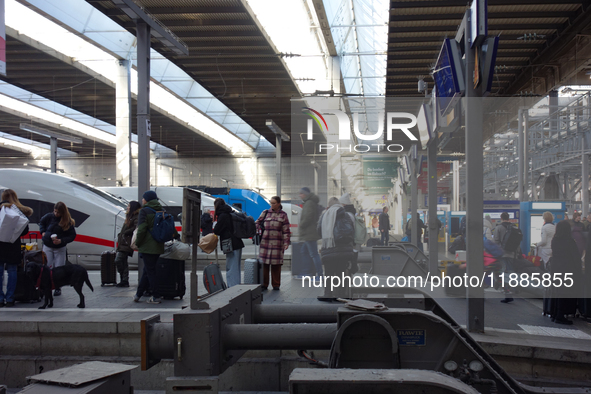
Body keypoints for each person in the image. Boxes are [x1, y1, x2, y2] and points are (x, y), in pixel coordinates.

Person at [317, 197, 355, 301]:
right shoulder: (347, 215)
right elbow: (352, 231)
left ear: (329, 205)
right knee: (341, 273)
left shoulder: (325, 215)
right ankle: (341, 295)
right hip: (344, 250)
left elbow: (319, 231)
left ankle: (328, 295)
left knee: (329, 273)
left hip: (329, 248)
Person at [0, 189, 33, 307]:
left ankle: (0, 299)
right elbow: (25, 230)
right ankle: (10, 298)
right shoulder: (18, 211)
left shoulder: (0, 209)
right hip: (13, 245)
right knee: (12, 271)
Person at [133, 190, 167, 304]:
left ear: (147, 199)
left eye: (143, 198)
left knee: (150, 271)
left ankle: (156, 296)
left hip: (147, 246)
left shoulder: (144, 211)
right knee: (147, 270)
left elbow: (142, 229)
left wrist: (137, 242)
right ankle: (138, 294)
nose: (142, 200)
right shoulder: (161, 210)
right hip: (158, 245)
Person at [40, 201, 77, 296]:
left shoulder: (67, 222)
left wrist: (62, 241)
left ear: (62, 212)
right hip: (48, 245)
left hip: (59, 247)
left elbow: (72, 235)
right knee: (46, 266)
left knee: (59, 268)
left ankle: (57, 287)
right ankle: (46, 286)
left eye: (58, 212)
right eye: (55, 211)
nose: (56, 214)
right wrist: (42, 232)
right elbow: (42, 223)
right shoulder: (49, 217)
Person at [550, 220, 582, 325]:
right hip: (567, 269)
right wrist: (579, 269)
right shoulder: (569, 241)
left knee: (557, 291)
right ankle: (560, 315)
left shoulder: (554, 240)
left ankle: (554, 314)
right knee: (564, 293)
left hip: (555, 268)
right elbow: (575, 257)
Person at [256, 196, 290, 290]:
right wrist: (257, 230)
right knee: (264, 265)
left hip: (277, 243)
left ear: (279, 204)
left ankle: (276, 285)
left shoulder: (283, 215)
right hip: (265, 243)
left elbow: (286, 230)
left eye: (274, 203)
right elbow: (257, 223)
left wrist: (286, 242)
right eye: (271, 203)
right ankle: (264, 284)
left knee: (276, 265)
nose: (272, 205)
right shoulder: (265, 213)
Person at [213, 198, 244, 287]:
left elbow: (217, 230)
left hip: (230, 244)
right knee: (236, 267)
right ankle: (236, 285)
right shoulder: (230, 212)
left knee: (231, 267)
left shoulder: (223, 215)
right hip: (237, 242)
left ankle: (232, 287)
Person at [114, 200, 141, 287]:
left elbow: (136, 228)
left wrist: (126, 233)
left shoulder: (135, 217)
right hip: (123, 242)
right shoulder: (129, 217)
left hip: (127, 242)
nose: (127, 208)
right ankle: (124, 280)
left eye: (129, 206)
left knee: (118, 260)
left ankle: (124, 279)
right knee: (123, 262)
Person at [493, 212, 518, 303]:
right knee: (511, 272)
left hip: (502, 254)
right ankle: (514, 289)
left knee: (502, 274)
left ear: (501, 218)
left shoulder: (499, 227)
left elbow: (496, 241)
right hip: (512, 254)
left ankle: (508, 294)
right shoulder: (514, 227)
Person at [298, 187, 322, 282]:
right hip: (309, 233)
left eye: (301, 193)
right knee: (304, 251)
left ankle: (319, 275)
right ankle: (307, 272)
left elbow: (308, 217)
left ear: (305, 194)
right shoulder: (310, 202)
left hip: (309, 233)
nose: (300, 195)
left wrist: (302, 225)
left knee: (314, 254)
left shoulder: (309, 203)